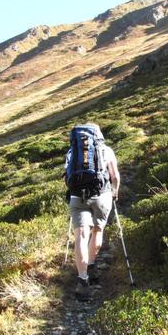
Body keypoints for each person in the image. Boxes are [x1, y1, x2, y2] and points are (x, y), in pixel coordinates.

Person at [64, 123, 120, 301]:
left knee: (80, 234)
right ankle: (92, 264)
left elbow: (67, 176)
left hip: (76, 196)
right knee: (97, 230)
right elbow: (115, 176)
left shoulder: (72, 152)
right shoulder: (106, 149)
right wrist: (114, 192)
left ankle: (82, 280)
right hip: (101, 195)